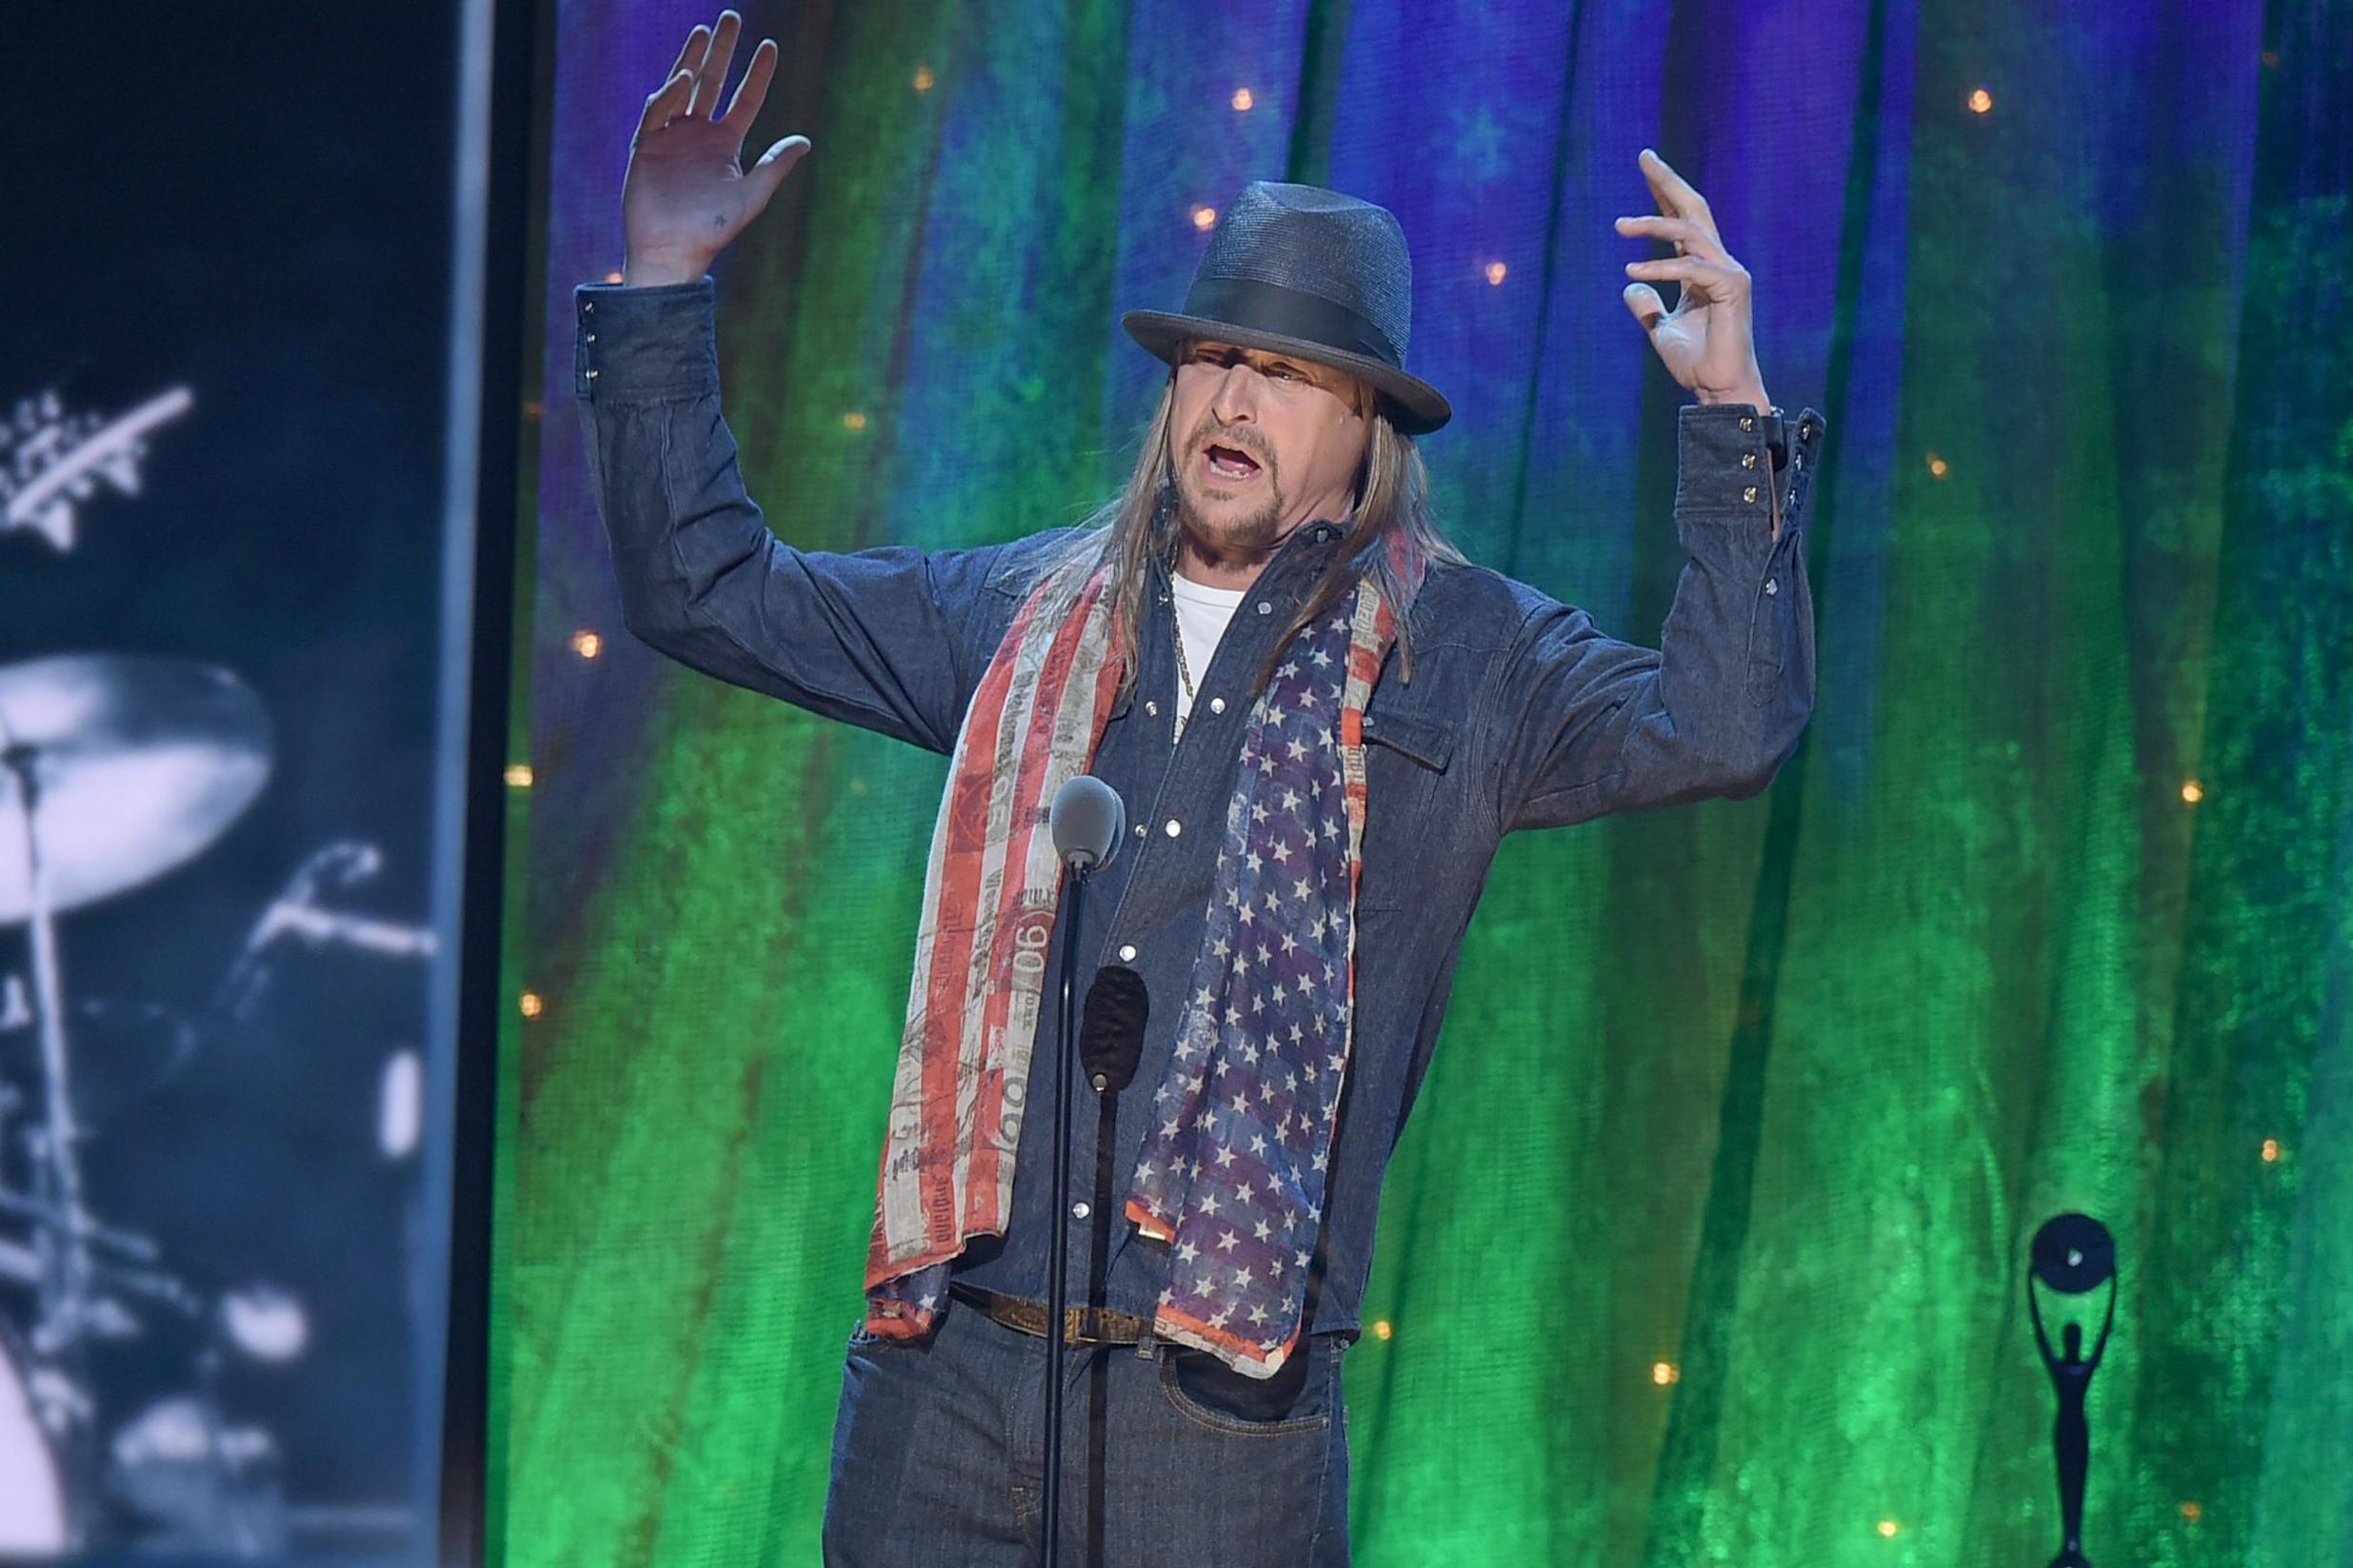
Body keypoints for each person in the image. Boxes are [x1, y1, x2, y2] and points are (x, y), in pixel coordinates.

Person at [577, 12, 1824, 1565]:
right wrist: (660, 285)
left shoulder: (1469, 656)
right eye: (1216, 361)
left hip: (1221, 1430)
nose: (1235, 402)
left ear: (1367, 423)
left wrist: (1730, 421)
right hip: (946, 1389)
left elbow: (1728, 723)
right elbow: (706, 589)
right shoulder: (1016, 614)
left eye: (1290, 375)